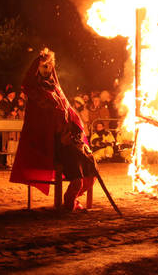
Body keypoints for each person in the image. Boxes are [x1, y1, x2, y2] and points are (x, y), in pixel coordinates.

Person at [10, 48, 95, 212]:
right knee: (75, 163)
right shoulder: (35, 92)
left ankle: (74, 196)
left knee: (90, 161)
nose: (47, 69)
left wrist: (73, 130)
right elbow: (40, 120)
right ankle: (70, 197)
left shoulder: (56, 88)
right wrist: (58, 135)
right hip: (49, 143)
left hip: (67, 139)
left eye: (49, 65)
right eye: (43, 66)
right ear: (37, 68)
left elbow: (69, 112)